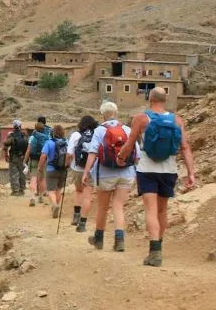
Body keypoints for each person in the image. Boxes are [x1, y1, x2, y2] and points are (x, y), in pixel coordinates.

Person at [117, 87, 196, 267]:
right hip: (169, 170)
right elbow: (185, 147)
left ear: (149, 99)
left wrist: (121, 158)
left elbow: (129, 145)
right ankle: (159, 246)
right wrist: (191, 173)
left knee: (150, 211)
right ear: (164, 100)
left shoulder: (141, 118)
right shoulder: (177, 120)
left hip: (147, 170)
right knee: (162, 210)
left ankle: (154, 253)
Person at [81, 102, 139, 252]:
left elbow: (93, 153)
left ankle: (98, 239)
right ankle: (119, 241)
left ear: (102, 114)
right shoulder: (127, 129)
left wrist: (86, 172)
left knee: (103, 207)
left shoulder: (100, 130)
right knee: (118, 206)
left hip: (105, 173)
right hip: (126, 173)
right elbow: (137, 154)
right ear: (117, 112)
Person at [66, 115, 99, 232]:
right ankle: (83, 222)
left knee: (78, 192)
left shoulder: (76, 135)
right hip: (90, 170)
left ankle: (76, 217)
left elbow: (69, 153)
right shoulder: (97, 134)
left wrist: (67, 163)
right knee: (87, 196)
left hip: (76, 168)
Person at [38, 124, 68, 218]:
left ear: (52, 133)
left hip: (51, 169)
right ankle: (56, 206)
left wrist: (40, 167)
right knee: (58, 189)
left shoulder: (49, 143)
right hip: (63, 169)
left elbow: (43, 156)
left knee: (51, 190)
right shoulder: (66, 142)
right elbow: (71, 155)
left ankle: (54, 205)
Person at [24, 118, 51, 205]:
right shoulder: (47, 137)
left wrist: (25, 160)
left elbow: (28, 149)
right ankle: (41, 197)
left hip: (34, 159)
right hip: (43, 160)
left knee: (33, 178)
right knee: (42, 179)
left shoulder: (32, 136)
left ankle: (32, 197)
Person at [3, 119, 28, 196]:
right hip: (23, 157)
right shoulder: (25, 135)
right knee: (22, 173)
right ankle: (22, 190)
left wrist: (6, 156)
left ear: (14, 127)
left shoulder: (11, 136)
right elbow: (28, 145)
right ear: (20, 126)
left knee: (14, 174)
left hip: (13, 157)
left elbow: (5, 145)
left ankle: (15, 191)